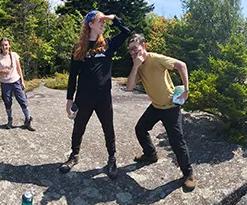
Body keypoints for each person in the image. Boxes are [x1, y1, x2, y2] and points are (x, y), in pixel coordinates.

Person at [62, 10, 133, 178]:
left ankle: (112, 158)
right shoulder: (79, 48)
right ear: (90, 24)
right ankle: (74, 156)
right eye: (99, 20)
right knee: (78, 127)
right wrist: (69, 98)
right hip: (83, 97)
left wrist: (113, 18)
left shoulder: (108, 44)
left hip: (103, 98)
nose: (103, 23)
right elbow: (73, 76)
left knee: (108, 127)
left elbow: (126, 32)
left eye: (103, 21)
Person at [126, 34, 196, 190]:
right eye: (130, 50)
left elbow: (181, 65)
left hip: (171, 106)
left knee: (177, 141)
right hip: (156, 106)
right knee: (140, 129)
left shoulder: (156, 59)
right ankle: (150, 155)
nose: (132, 52)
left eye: (135, 49)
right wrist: (136, 66)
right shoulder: (138, 65)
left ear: (143, 46)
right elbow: (129, 87)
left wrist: (186, 90)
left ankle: (188, 174)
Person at [0, 37, 33, 131]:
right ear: (0, 46)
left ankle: (28, 120)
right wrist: (2, 71)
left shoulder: (14, 55)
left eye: (6, 45)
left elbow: (19, 69)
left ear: (9, 45)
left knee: (23, 100)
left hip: (16, 82)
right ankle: (10, 120)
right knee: (7, 102)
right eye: (3, 45)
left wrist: (22, 81)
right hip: (5, 84)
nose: (4, 47)